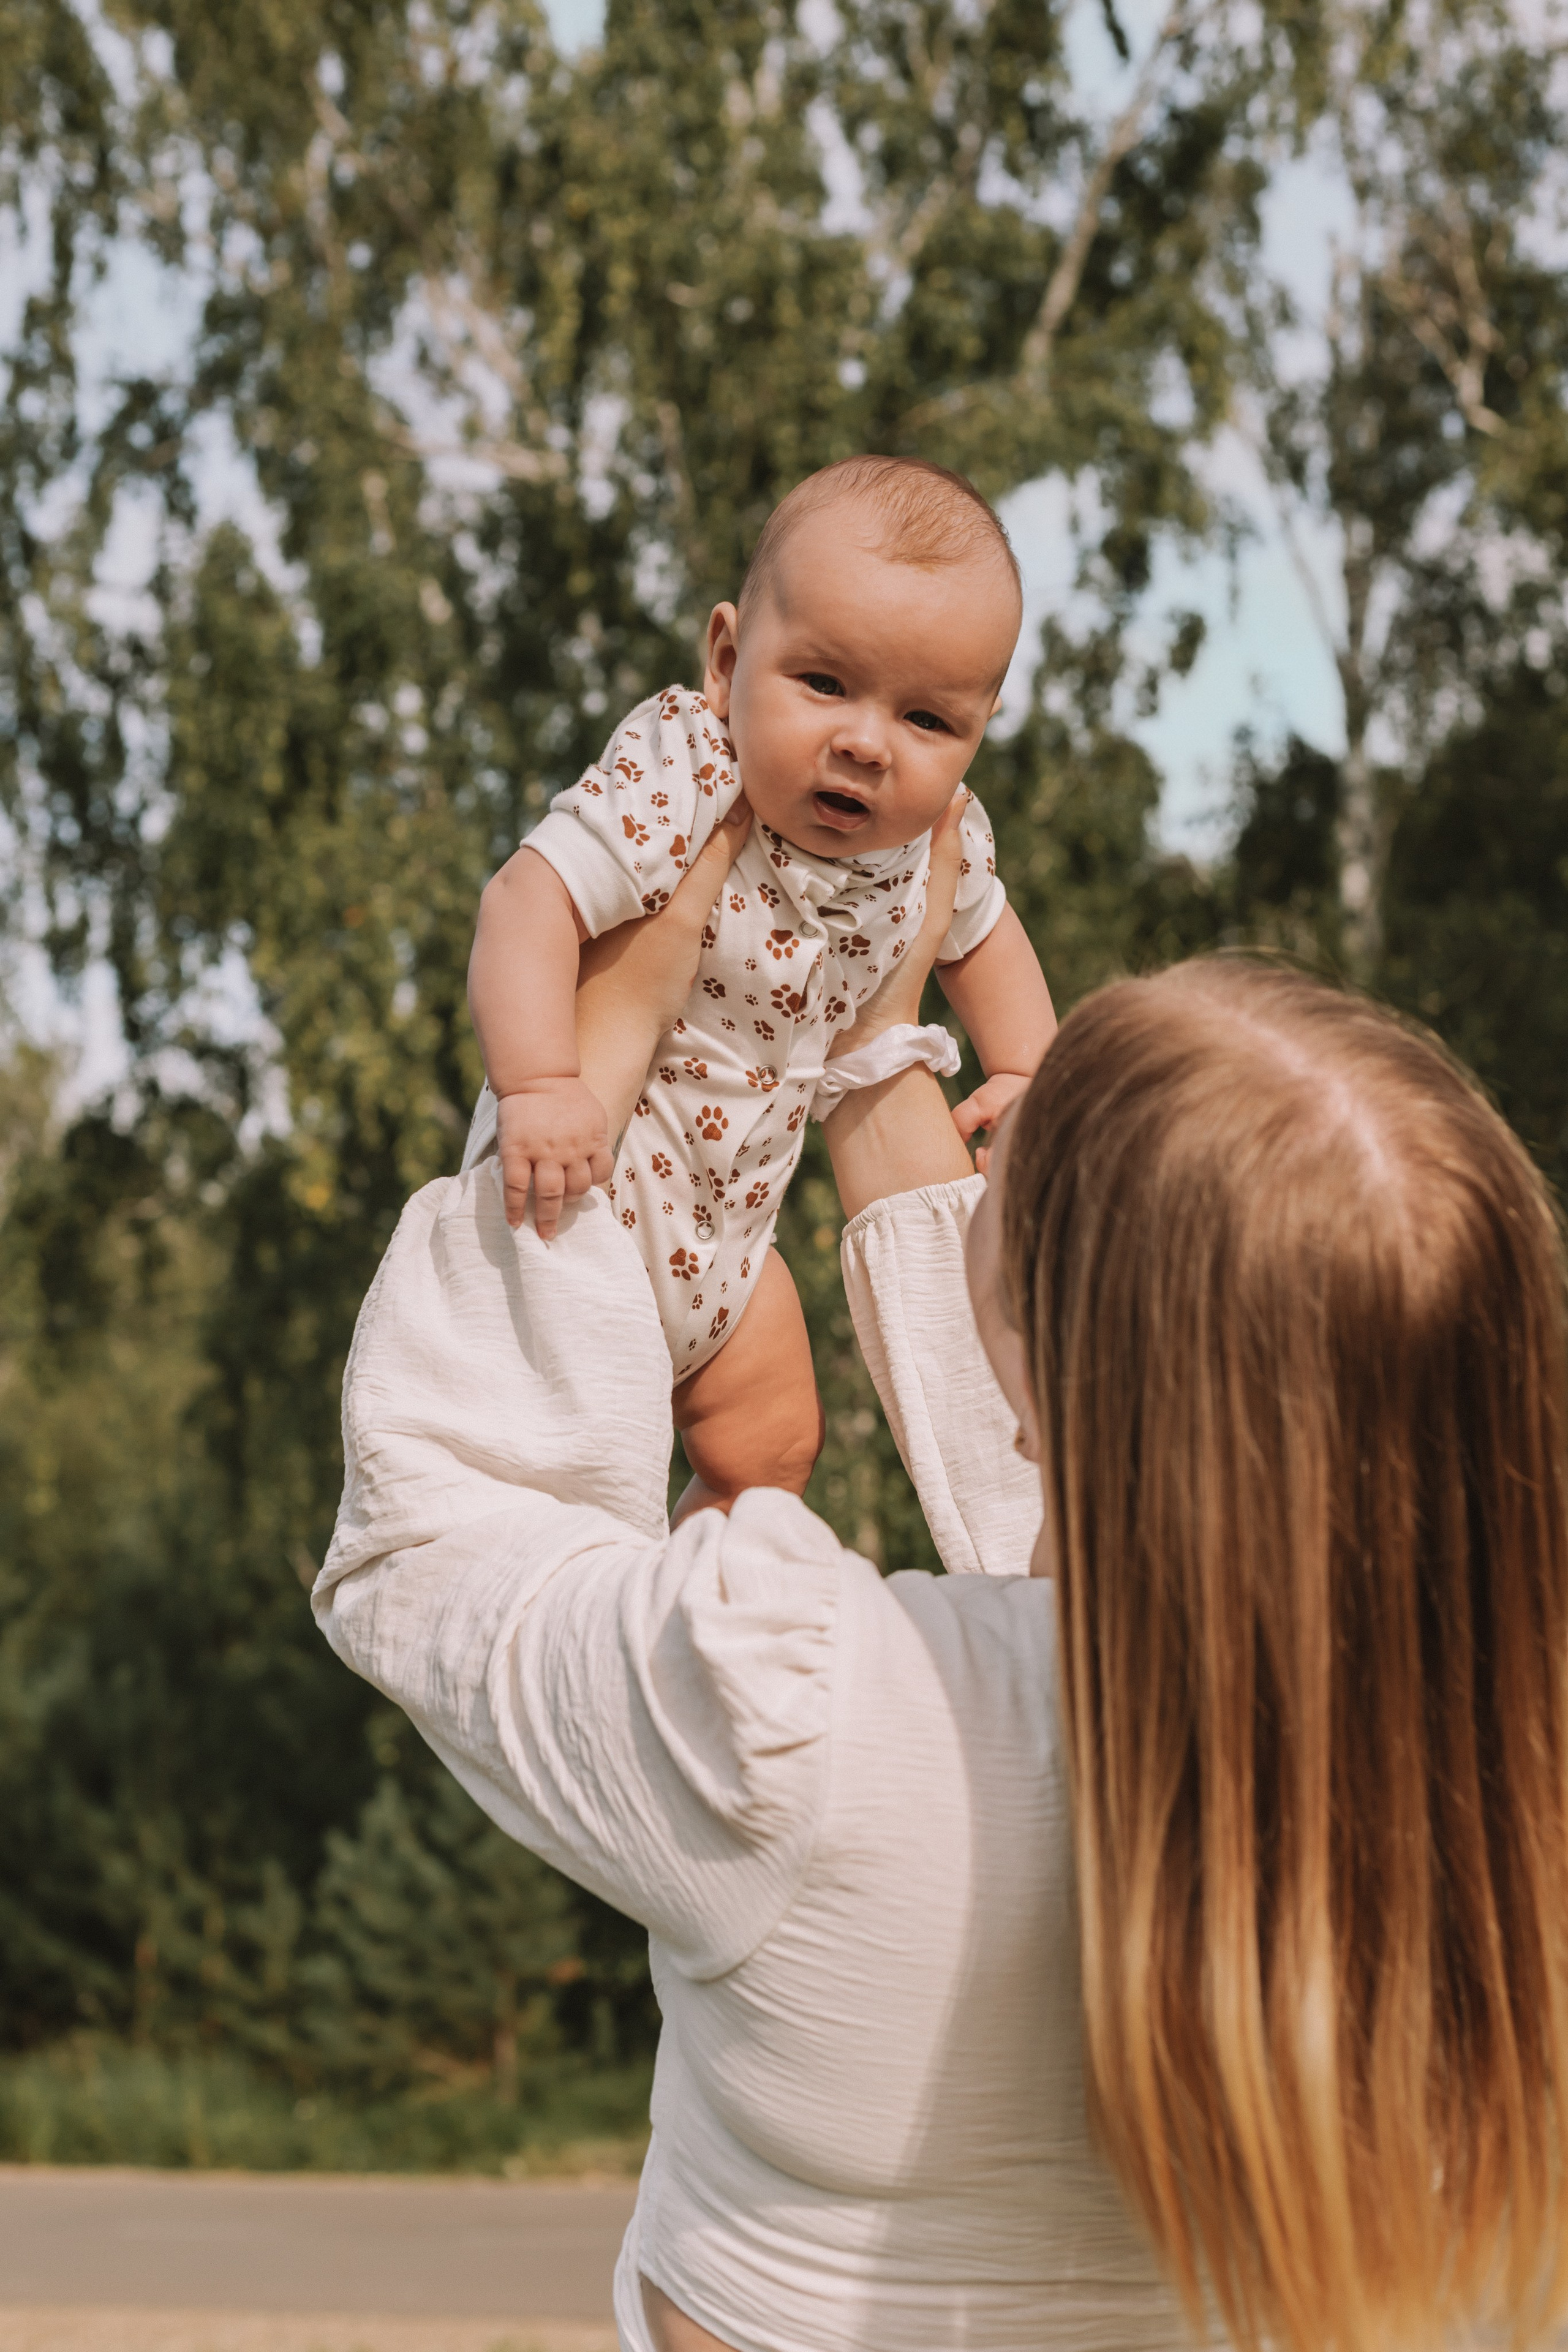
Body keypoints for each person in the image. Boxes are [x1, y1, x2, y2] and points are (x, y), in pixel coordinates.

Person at [317, 808, 1568, 2352]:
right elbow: (1090, 1528)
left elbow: (431, 1530)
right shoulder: (1493, 1805)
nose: (996, 1134)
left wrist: (603, 1047)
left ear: (1041, 1347)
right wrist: (875, 1035)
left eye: (1019, 1150)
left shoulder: (793, 1719)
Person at [464, 455, 1055, 1520]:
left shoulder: (937, 843)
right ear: (729, 659)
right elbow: (524, 902)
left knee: (774, 1448)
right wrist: (539, 1084)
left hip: (728, 1242)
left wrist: (1031, 1073)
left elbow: (988, 946)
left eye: (929, 721)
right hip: (585, 1189)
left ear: (979, 728)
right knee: (568, 1486)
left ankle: (695, 1617)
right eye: (824, 684)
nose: (867, 744)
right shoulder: (689, 767)